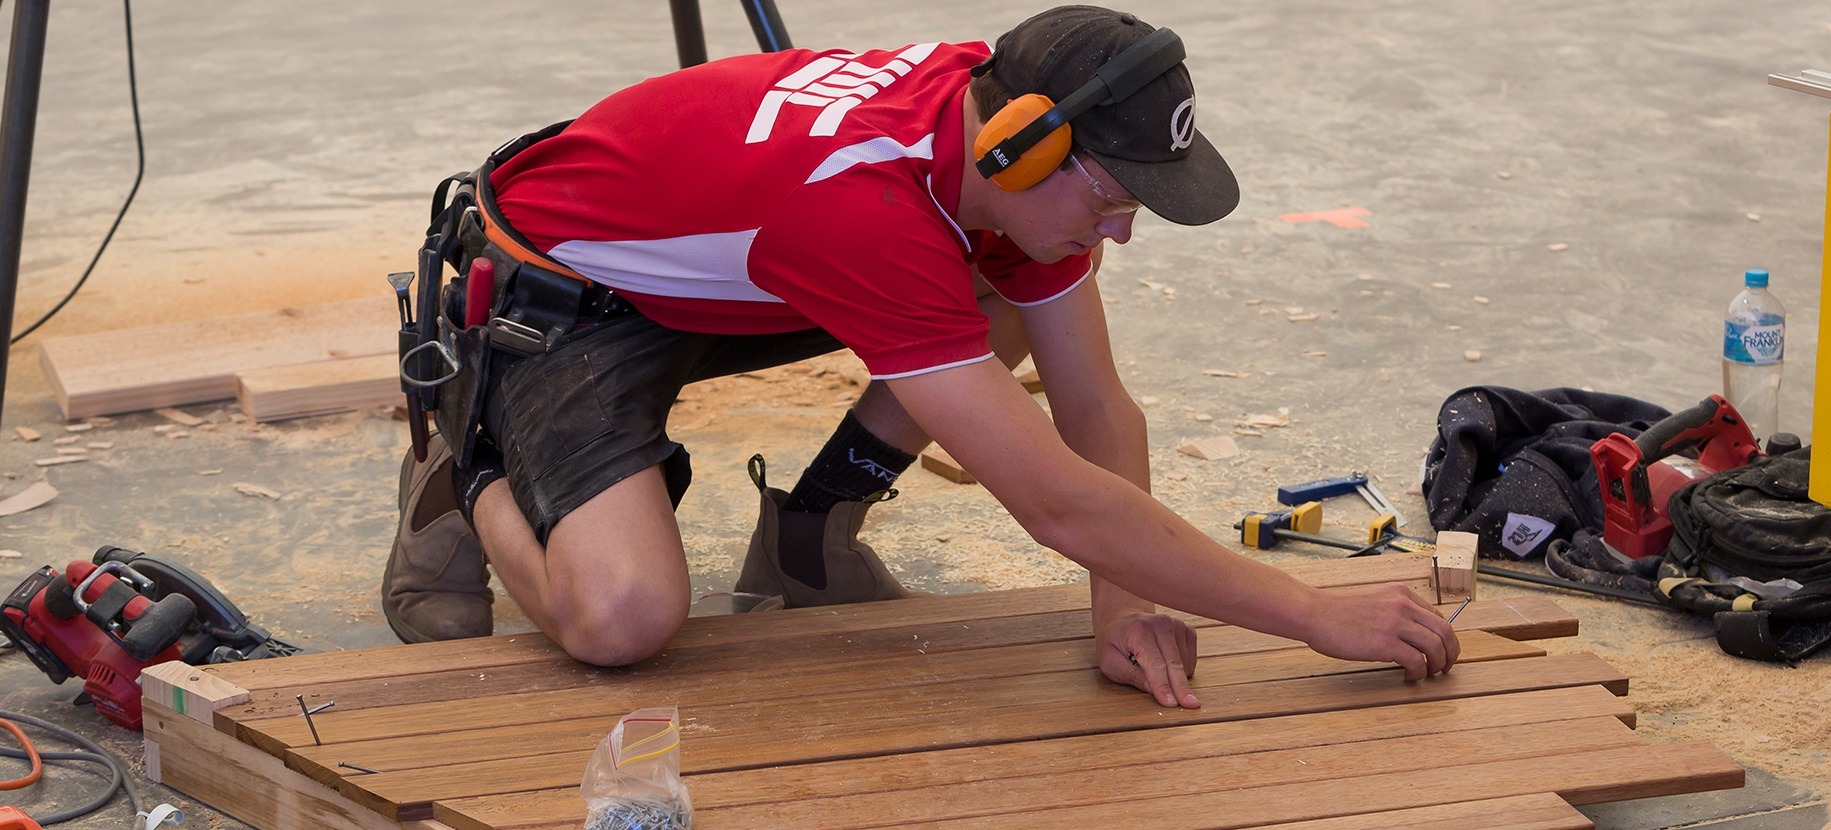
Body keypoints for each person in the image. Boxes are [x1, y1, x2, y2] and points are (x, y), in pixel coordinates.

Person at [382, 4, 1459, 708]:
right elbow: (1060, 502)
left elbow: (1096, 409)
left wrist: (1120, 603)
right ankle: (470, 470)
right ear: (1019, 144)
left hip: (729, 263)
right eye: (1115, 200)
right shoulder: (868, 208)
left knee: (995, 296)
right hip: (560, 298)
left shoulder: (997, 163)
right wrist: (1310, 611)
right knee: (620, 619)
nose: (1123, 232)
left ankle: (805, 535)